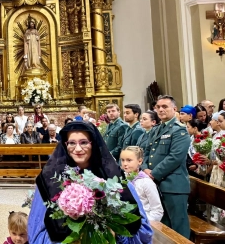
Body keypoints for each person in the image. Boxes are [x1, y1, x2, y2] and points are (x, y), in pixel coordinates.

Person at [28, 121, 152, 243]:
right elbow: (36, 233)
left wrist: (114, 233)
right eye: (71, 143)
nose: (77, 149)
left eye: (84, 142)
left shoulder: (114, 179)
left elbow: (144, 231)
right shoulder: (50, 181)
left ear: (94, 144)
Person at [141, 95, 190, 238]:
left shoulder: (179, 130)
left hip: (173, 185)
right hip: (156, 183)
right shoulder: (157, 129)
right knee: (164, 226)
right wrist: (144, 168)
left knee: (178, 225)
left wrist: (153, 173)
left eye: (165, 107)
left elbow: (175, 157)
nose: (161, 110)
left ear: (174, 109)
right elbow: (146, 152)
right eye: (158, 107)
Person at [120, 146, 164, 221]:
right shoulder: (121, 178)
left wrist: (142, 222)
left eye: (129, 160)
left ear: (140, 161)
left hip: (142, 221)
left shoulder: (146, 182)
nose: (125, 164)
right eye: (122, 160)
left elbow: (158, 211)